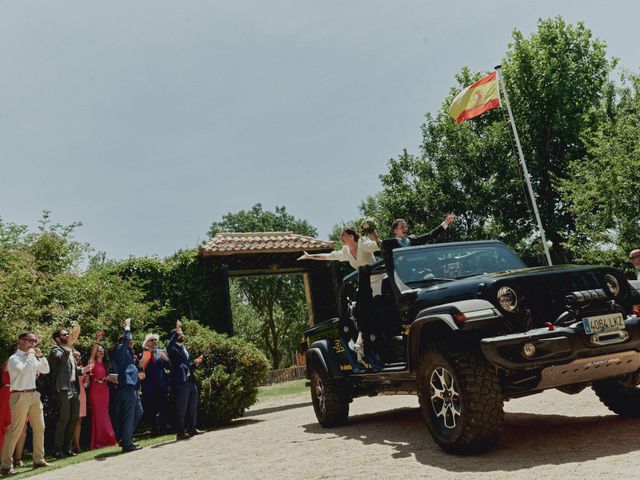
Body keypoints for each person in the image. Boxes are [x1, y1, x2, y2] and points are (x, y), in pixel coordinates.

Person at [0, 332, 50, 475]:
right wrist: (32, 355)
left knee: (40, 427)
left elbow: (45, 369)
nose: (33, 343)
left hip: (34, 394)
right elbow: (23, 370)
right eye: (31, 341)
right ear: (21, 341)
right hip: (19, 395)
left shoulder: (32, 356)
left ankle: (39, 459)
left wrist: (40, 356)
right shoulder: (14, 358)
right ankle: (5, 466)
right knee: (15, 430)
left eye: (34, 341)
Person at [48, 324, 91, 459]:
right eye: (64, 335)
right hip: (63, 388)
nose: (67, 336)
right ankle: (57, 450)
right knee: (64, 418)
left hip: (74, 387)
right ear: (57, 338)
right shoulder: (55, 350)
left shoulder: (68, 350)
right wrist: (69, 347)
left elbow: (71, 370)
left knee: (73, 418)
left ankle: (67, 448)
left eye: (68, 334)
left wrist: (83, 370)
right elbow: (61, 359)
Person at [167, 320, 204, 441]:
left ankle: (192, 428)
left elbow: (187, 364)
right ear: (175, 336)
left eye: (181, 333)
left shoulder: (184, 348)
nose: (182, 335)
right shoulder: (173, 349)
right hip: (180, 381)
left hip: (190, 379)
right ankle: (180, 431)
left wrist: (196, 362)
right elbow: (169, 346)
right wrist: (177, 330)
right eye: (180, 334)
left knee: (193, 404)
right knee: (181, 407)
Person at [111, 318, 144, 453]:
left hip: (133, 387)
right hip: (126, 387)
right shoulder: (120, 350)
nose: (131, 341)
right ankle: (127, 443)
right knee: (129, 415)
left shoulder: (129, 352)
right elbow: (126, 340)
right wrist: (127, 326)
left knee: (139, 412)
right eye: (129, 340)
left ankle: (126, 437)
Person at [87, 332, 117, 450]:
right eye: (99, 350)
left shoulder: (105, 364)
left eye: (102, 350)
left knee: (105, 414)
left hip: (104, 390)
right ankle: (101, 440)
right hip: (95, 391)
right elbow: (93, 352)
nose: (101, 351)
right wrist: (98, 339)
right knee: (98, 415)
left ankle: (107, 439)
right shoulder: (92, 362)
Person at [139, 333, 170, 435]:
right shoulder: (142, 355)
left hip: (161, 384)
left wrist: (165, 359)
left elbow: (169, 365)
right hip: (149, 386)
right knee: (151, 408)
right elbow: (140, 371)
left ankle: (163, 428)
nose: (154, 342)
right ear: (147, 343)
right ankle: (155, 429)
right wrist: (141, 364)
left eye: (155, 340)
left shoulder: (161, 352)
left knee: (163, 407)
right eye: (151, 340)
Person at [388, 214, 456, 249]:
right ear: (395, 230)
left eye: (406, 226)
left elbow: (430, 235)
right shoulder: (390, 244)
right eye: (402, 227)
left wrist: (446, 222)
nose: (405, 229)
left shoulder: (413, 239)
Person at [71, 350, 89, 454]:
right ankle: (69, 445)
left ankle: (76, 445)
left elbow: (87, 383)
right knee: (71, 420)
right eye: (75, 356)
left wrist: (86, 382)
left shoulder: (83, 368)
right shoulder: (68, 368)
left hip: (81, 393)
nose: (77, 357)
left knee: (79, 421)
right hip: (72, 393)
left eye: (79, 356)